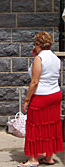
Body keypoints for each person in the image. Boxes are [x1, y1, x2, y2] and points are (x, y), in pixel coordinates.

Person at [18, 31, 64, 167]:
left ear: (38, 44)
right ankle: (49, 157)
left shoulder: (39, 59)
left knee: (34, 126)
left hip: (41, 96)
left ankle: (33, 159)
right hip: (55, 94)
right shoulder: (55, 58)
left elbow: (35, 82)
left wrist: (26, 100)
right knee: (51, 125)